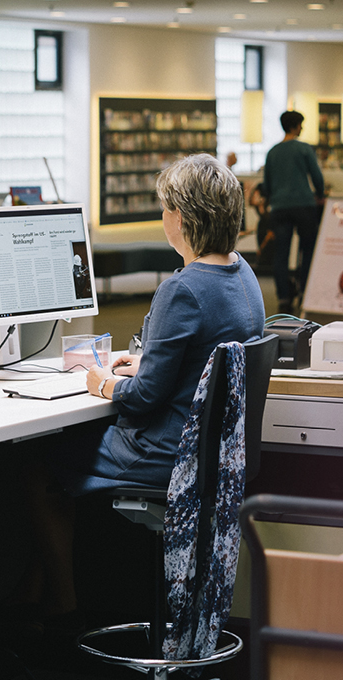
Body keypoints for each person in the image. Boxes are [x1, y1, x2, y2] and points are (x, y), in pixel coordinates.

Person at [19, 153, 265, 624]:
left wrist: (105, 382)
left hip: (165, 453)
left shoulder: (183, 288)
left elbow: (145, 397)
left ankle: (63, 604)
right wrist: (150, 362)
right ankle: (36, 589)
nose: (163, 218)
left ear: (183, 216)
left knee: (34, 464)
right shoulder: (243, 274)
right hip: (213, 454)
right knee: (52, 455)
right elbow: (206, 363)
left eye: (165, 208)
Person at [260, 110, 324, 313]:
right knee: (307, 249)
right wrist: (320, 193)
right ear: (296, 126)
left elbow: (267, 185)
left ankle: (283, 297)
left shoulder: (272, 152)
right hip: (304, 205)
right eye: (301, 125)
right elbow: (316, 176)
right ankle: (305, 291)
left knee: (281, 253)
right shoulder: (304, 149)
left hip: (279, 208)